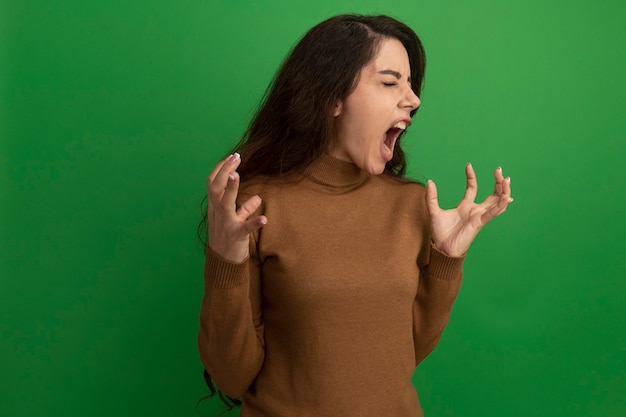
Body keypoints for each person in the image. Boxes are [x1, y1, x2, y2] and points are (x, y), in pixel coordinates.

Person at [198, 14, 512, 417]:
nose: (413, 99)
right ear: (332, 98)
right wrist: (225, 258)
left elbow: (403, 356)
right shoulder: (256, 206)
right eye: (389, 82)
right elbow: (231, 377)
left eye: (411, 85)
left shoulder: (412, 205)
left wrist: (446, 261)